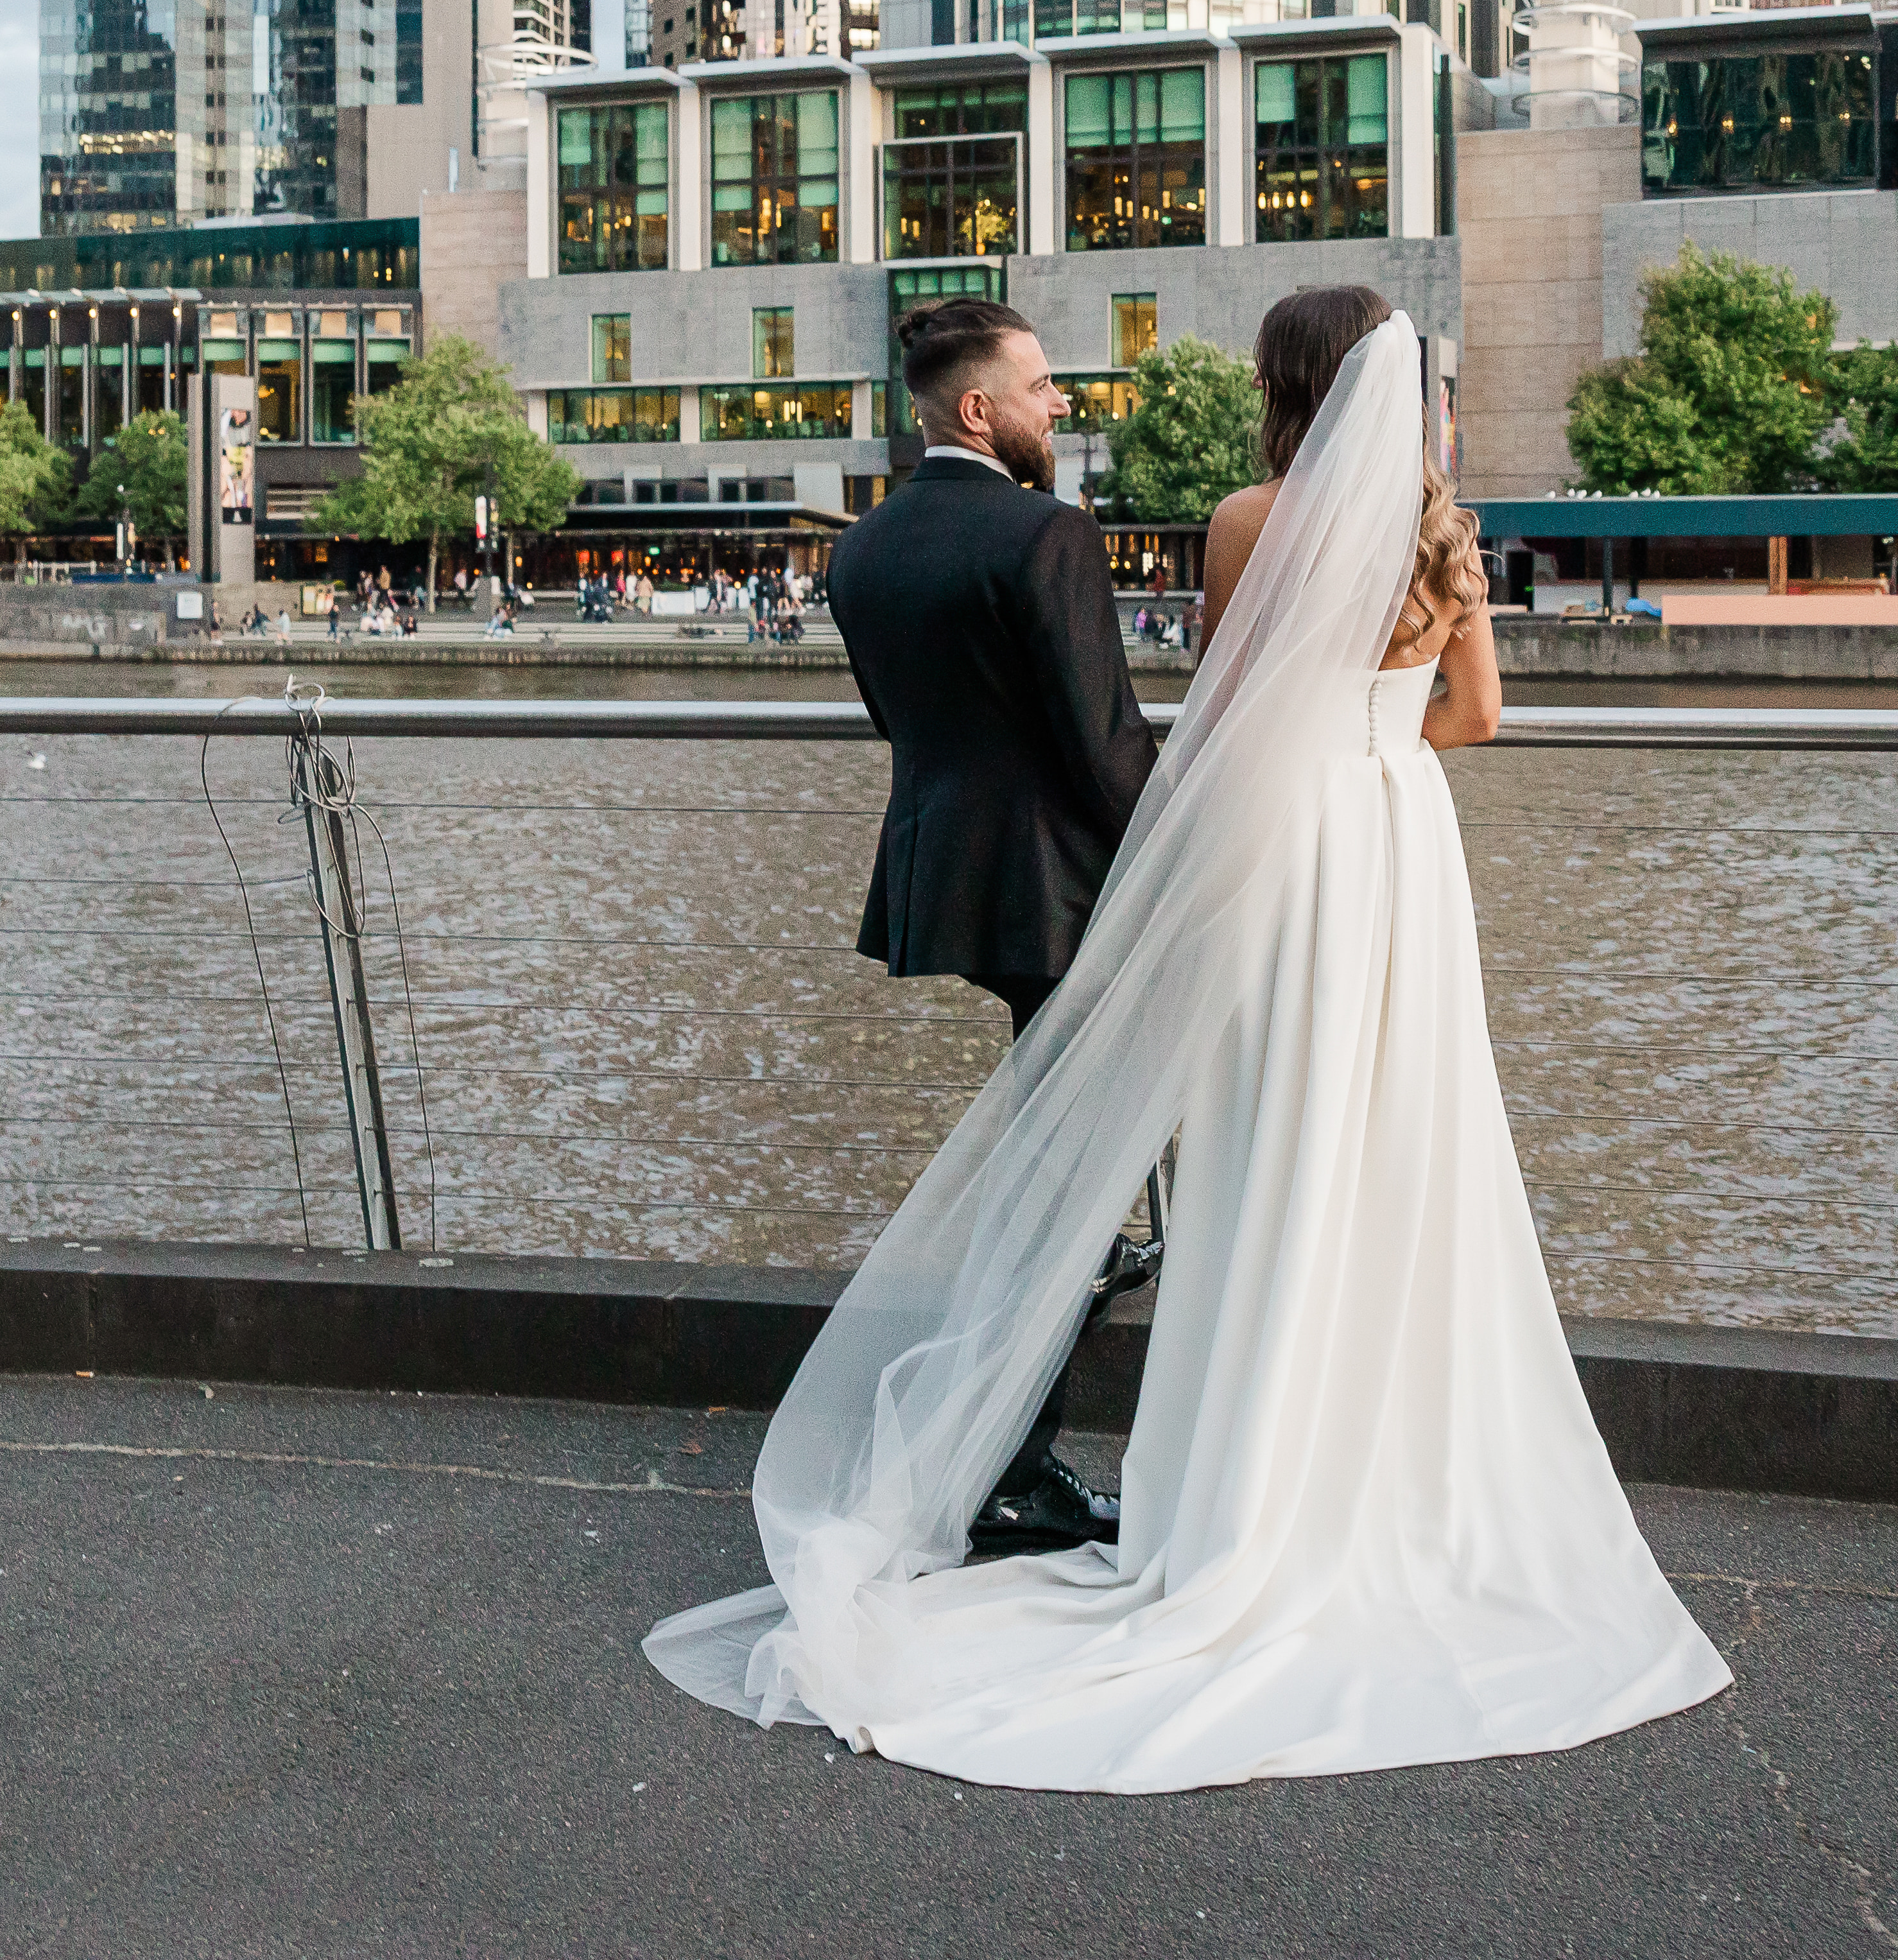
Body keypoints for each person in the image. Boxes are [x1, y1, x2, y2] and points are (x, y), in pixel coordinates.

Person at [650, 282, 1728, 1791]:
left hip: (1287, 852)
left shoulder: (1237, 518)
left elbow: (1224, 722)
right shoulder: (1444, 531)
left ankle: (1231, 1481)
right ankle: (1390, 1468)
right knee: (1409, 1144)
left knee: (1263, 1150)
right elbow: (1473, 720)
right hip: (1403, 851)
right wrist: (1385, 720)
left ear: (1285, 383)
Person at [807, 297, 1158, 1557]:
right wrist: (1196, 858)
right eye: (1042, 385)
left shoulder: (863, 547)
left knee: (1062, 1161)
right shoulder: (1046, 531)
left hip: (949, 876)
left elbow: (898, 725)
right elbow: (1105, 743)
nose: (1058, 405)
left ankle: (1008, 1441)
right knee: (1075, 1180)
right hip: (1063, 892)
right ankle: (1010, 1460)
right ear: (978, 408)